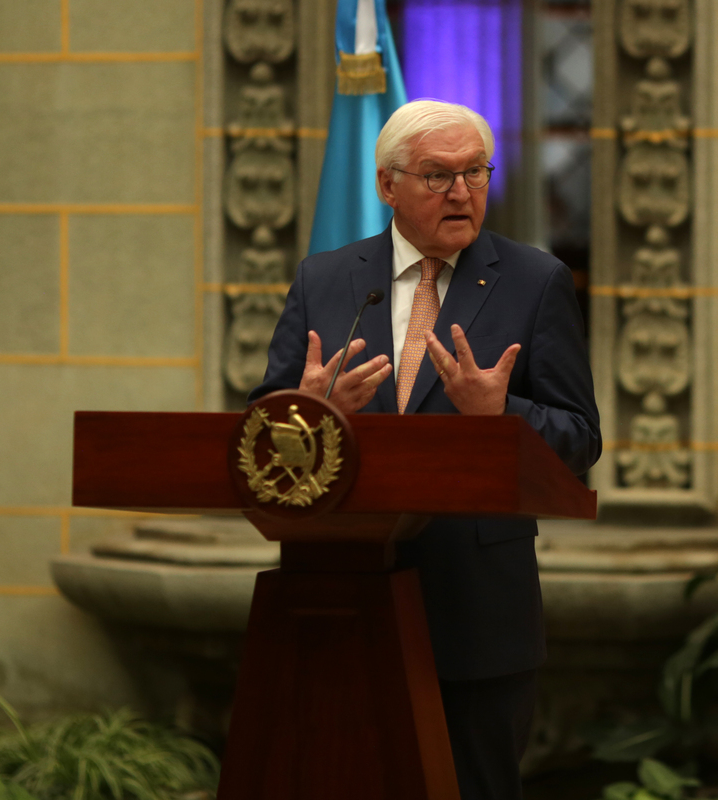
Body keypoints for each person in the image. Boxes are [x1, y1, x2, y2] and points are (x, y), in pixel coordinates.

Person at [249, 99, 601, 800]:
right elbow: (261, 437)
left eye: (476, 172)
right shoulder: (325, 279)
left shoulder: (535, 282)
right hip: (343, 594)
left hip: (477, 610)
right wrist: (312, 413)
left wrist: (503, 411)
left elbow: (580, 439)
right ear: (388, 185)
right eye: (439, 176)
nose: (463, 193)